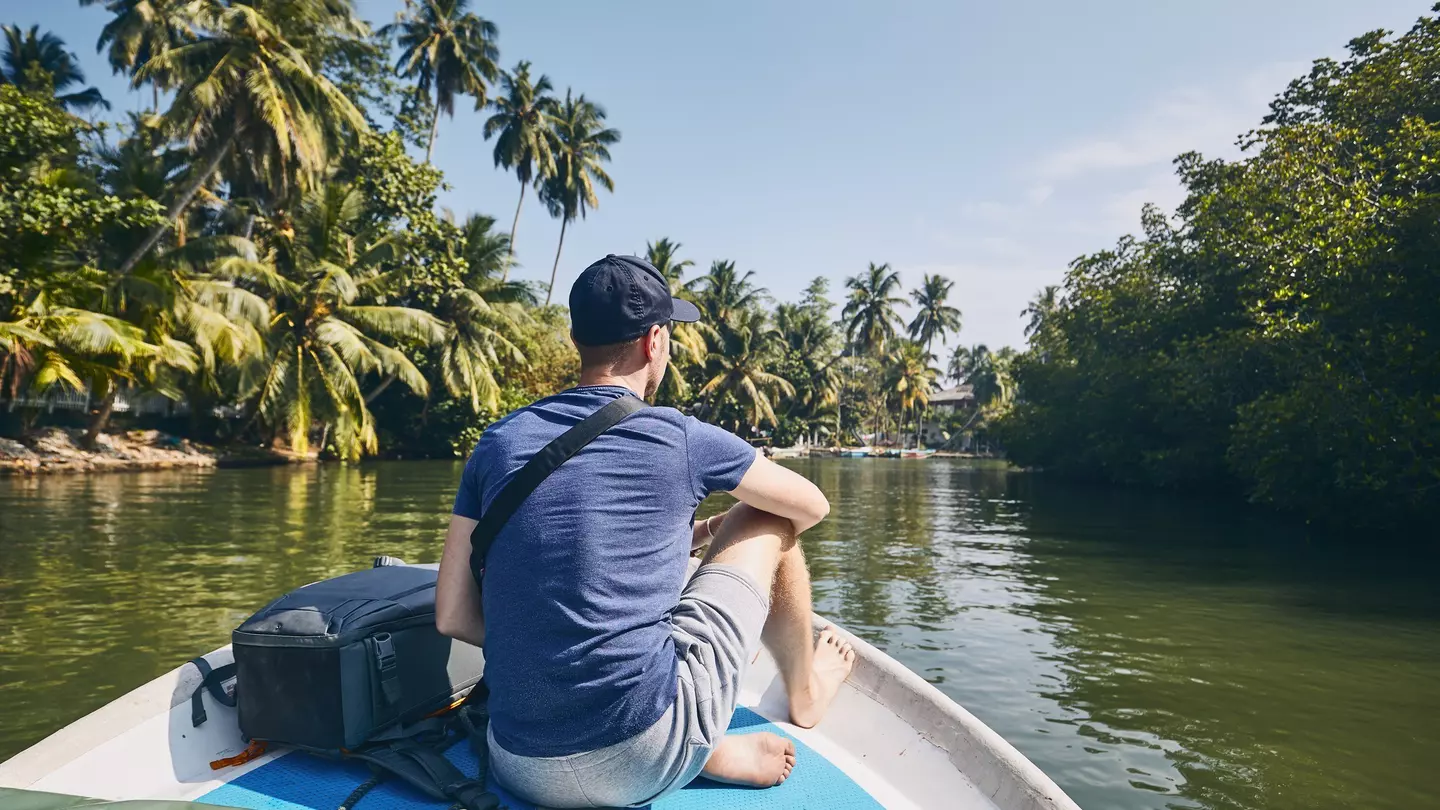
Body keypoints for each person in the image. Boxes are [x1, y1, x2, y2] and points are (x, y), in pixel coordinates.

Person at [435, 254, 855, 808]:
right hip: (642, 750)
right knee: (769, 515)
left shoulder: (497, 442)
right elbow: (811, 506)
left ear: (576, 338)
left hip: (518, 763)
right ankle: (801, 694)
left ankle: (698, 744)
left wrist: (695, 533)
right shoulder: (680, 436)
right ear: (654, 342)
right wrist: (729, 544)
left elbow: (453, 615)